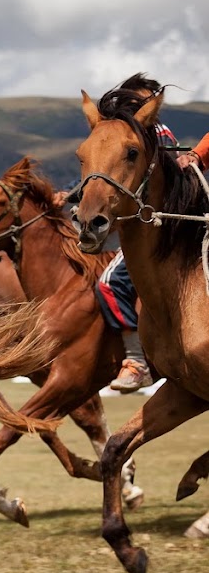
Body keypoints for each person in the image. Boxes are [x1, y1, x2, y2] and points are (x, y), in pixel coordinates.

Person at [98, 73, 179, 392]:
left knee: (108, 284)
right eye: (141, 99)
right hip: (154, 224)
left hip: (156, 228)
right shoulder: (124, 133)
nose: (148, 105)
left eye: (151, 99)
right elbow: (102, 171)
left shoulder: (151, 133)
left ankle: (136, 361)